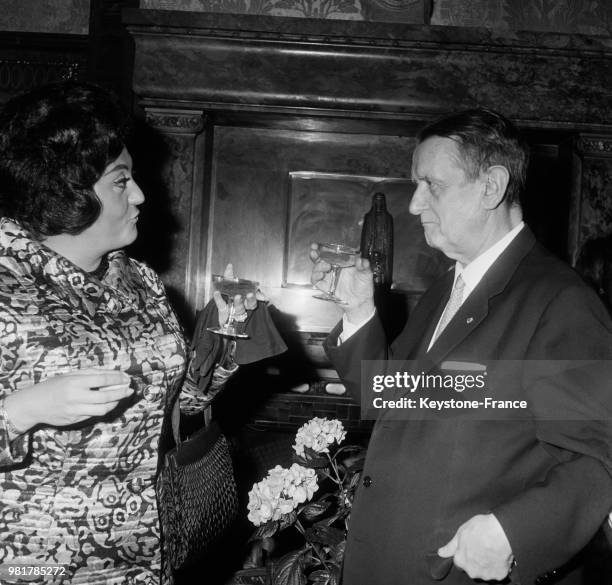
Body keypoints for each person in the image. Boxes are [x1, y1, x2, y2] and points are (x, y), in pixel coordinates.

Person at [311, 108, 612, 585]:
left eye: (433, 185)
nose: (414, 204)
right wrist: (358, 311)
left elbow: (598, 457)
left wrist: (514, 533)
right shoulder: (448, 287)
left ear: (491, 186)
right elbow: (389, 397)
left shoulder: (562, 301)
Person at [0, 82, 258, 584]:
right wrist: (24, 410)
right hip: (32, 564)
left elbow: (179, 404)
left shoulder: (138, 279)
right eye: (121, 182)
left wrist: (224, 339)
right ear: (65, 188)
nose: (141, 195)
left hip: (147, 552)